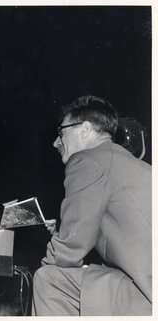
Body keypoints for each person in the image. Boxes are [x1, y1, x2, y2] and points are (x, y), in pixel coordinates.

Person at [32, 95, 151, 316]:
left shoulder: (87, 159)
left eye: (61, 132)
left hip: (147, 297)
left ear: (84, 129)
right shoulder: (132, 163)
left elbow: (68, 251)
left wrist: (48, 258)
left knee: (48, 279)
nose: (56, 142)